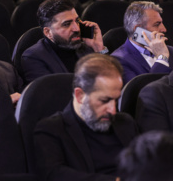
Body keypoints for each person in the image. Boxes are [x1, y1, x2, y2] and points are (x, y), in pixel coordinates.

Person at [34, 53, 139, 181]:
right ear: (80, 95)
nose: (112, 110)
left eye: (116, 100)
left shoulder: (125, 122)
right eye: (104, 100)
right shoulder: (51, 130)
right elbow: (54, 175)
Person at [21, 0, 106, 84]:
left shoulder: (86, 48)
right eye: (66, 24)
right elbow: (50, 94)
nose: (77, 29)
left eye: (77, 21)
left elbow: (108, 80)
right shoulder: (34, 57)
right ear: (48, 32)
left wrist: (99, 48)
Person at [111, 1, 173, 85]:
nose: (164, 29)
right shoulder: (118, 61)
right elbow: (143, 93)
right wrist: (162, 58)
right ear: (138, 30)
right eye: (157, 24)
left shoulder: (170, 50)